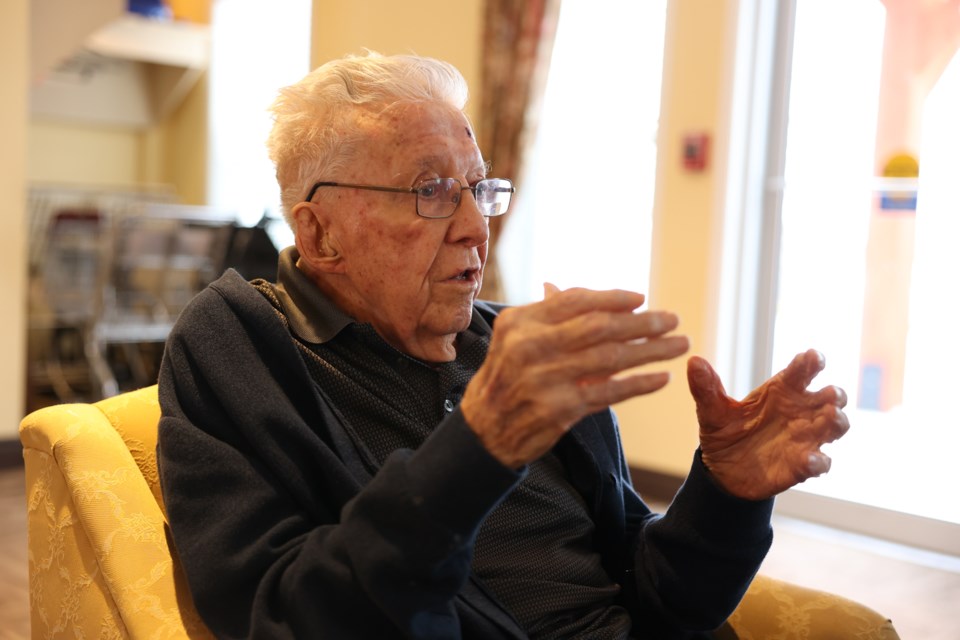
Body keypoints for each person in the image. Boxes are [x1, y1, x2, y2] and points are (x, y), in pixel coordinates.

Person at [157, 51, 849, 640]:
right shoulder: (239, 345)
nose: (474, 228)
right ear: (318, 234)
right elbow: (279, 617)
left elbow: (661, 600)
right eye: (431, 190)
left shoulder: (513, 351)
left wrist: (726, 496)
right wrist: (479, 447)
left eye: (478, 189)